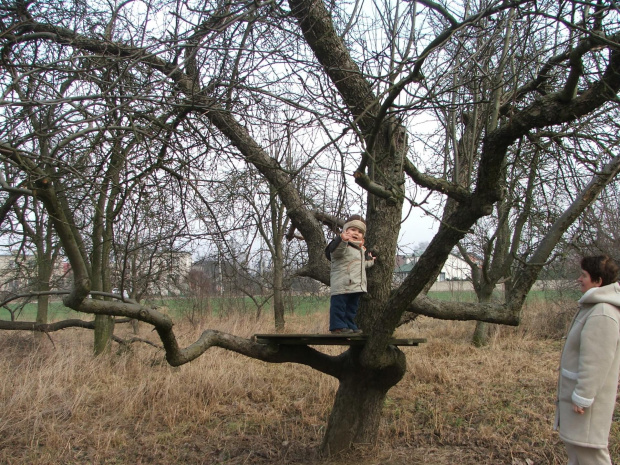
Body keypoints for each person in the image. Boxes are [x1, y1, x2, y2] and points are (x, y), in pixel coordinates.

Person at [554, 255, 620, 465]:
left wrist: (583, 396)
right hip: (579, 402)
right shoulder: (593, 307)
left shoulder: (602, 312)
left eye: (584, 275)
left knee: (590, 456)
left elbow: (597, 362)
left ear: (598, 281)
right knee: (578, 454)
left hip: (586, 406)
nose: (579, 279)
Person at [325, 215, 375, 334]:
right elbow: (335, 251)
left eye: (359, 232)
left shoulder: (360, 250)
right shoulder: (343, 246)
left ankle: (349, 325)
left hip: (355, 285)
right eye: (353, 230)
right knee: (339, 306)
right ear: (345, 231)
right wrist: (342, 239)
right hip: (342, 284)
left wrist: (371, 261)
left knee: (351, 308)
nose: (356, 233)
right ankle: (337, 326)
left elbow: (361, 265)